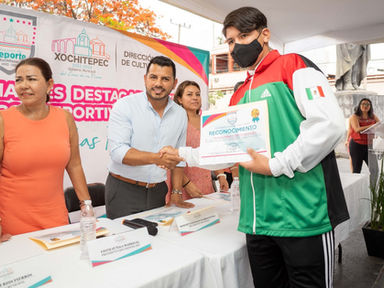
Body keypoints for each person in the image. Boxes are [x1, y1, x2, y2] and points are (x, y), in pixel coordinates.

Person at [161, 7, 349, 288]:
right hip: (256, 223)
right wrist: (182, 154)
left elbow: (329, 124)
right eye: (230, 41)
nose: (236, 46)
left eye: (243, 36)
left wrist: (276, 165)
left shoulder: (292, 65)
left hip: (302, 217)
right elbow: (224, 150)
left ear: (265, 34)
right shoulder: (239, 93)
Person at [0, 57, 91, 240]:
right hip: (11, 221)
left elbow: (74, 165)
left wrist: (86, 205)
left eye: (31, 79)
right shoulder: (3, 120)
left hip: (55, 218)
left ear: (49, 85)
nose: (23, 85)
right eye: (18, 80)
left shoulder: (65, 118)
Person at [105, 56, 192, 220]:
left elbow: (179, 157)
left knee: (157, 243)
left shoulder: (180, 114)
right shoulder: (125, 106)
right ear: (145, 79)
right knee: (125, 243)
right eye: (153, 77)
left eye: (165, 79)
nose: (158, 83)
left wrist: (176, 192)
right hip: (124, 190)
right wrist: (156, 158)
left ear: (174, 83)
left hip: (157, 192)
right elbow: (118, 153)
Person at [165, 80, 229, 203]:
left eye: (198, 94)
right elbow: (172, 158)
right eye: (189, 94)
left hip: (205, 182)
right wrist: (187, 184)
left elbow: (213, 151)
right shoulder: (175, 122)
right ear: (179, 99)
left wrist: (221, 175)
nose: (195, 98)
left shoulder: (207, 121)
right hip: (181, 185)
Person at [348, 98, 379, 179]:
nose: (365, 106)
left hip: (369, 146)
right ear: (359, 106)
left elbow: (379, 125)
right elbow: (357, 129)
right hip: (356, 146)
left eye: (368, 104)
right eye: (363, 104)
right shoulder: (354, 117)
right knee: (357, 170)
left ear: (370, 106)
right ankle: (356, 190)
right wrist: (372, 126)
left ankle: (372, 190)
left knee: (375, 170)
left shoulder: (373, 116)